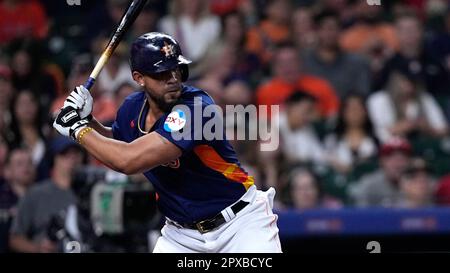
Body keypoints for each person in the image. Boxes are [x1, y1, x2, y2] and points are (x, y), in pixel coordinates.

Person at [52, 32, 281, 253]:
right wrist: (89, 122)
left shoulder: (196, 108)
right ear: (139, 78)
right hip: (181, 236)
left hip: (240, 225)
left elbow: (129, 160)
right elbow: (120, 144)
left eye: (177, 69)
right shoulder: (132, 107)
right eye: (162, 73)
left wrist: (77, 129)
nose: (173, 79)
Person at [9, 137, 83, 253]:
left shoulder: (89, 192)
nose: (72, 158)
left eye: (76, 153)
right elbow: (15, 238)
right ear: (54, 159)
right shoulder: (35, 194)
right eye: (65, 154)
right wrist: (37, 248)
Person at [349, 138, 412, 207]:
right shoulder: (369, 184)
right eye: (391, 158)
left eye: (402, 158)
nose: (398, 164)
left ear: (409, 161)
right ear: (382, 161)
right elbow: (359, 213)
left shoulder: (418, 184)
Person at [324, 94, 378, 174]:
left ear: (365, 112)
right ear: (342, 113)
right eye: (350, 109)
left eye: (358, 109)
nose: (354, 113)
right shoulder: (332, 140)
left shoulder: (377, 139)